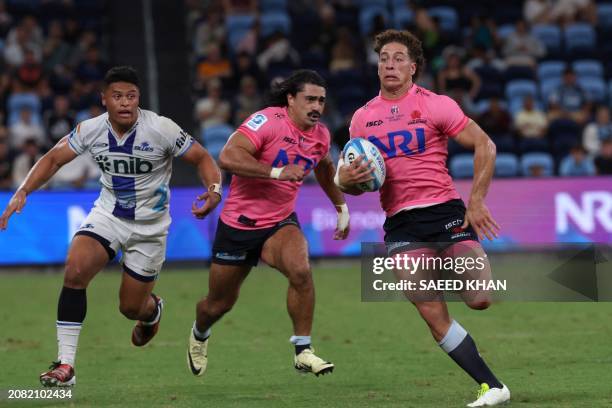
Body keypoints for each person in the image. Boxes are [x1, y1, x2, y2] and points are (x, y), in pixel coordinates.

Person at [0, 66, 222, 387]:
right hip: (109, 215)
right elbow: (52, 159)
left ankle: (152, 311)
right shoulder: (90, 129)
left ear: (138, 99)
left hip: (150, 228)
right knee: (75, 270)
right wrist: (23, 191)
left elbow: (202, 158)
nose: (125, 103)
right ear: (104, 100)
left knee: (131, 308)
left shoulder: (160, 128)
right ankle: (65, 366)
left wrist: (214, 191)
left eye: (131, 96)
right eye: (117, 96)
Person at [336, 30, 510, 407]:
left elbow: (486, 145)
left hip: (446, 211)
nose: (390, 64)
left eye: (398, 58)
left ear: (413, 67)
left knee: (480, 298)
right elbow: (357, 182)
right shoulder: (361, 120)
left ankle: (448, 261)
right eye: (384, 58)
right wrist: (346, 183)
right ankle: (492, 386)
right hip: (400, 222)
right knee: (430, 311)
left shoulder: (436, 105)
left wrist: (476, 201)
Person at [187, 70, 350, 378]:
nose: (317, 107)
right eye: (310, 99)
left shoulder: (321, 135)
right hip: (239, 225)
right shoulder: (268, 121)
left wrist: (341, 206)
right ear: (291, 99)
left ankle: (303, 351)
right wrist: (276, 172)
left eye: (321, 101)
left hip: (280, 222)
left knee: (300, 270)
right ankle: (199, 333)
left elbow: (325, 166)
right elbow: (228, 156)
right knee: (217, 305)